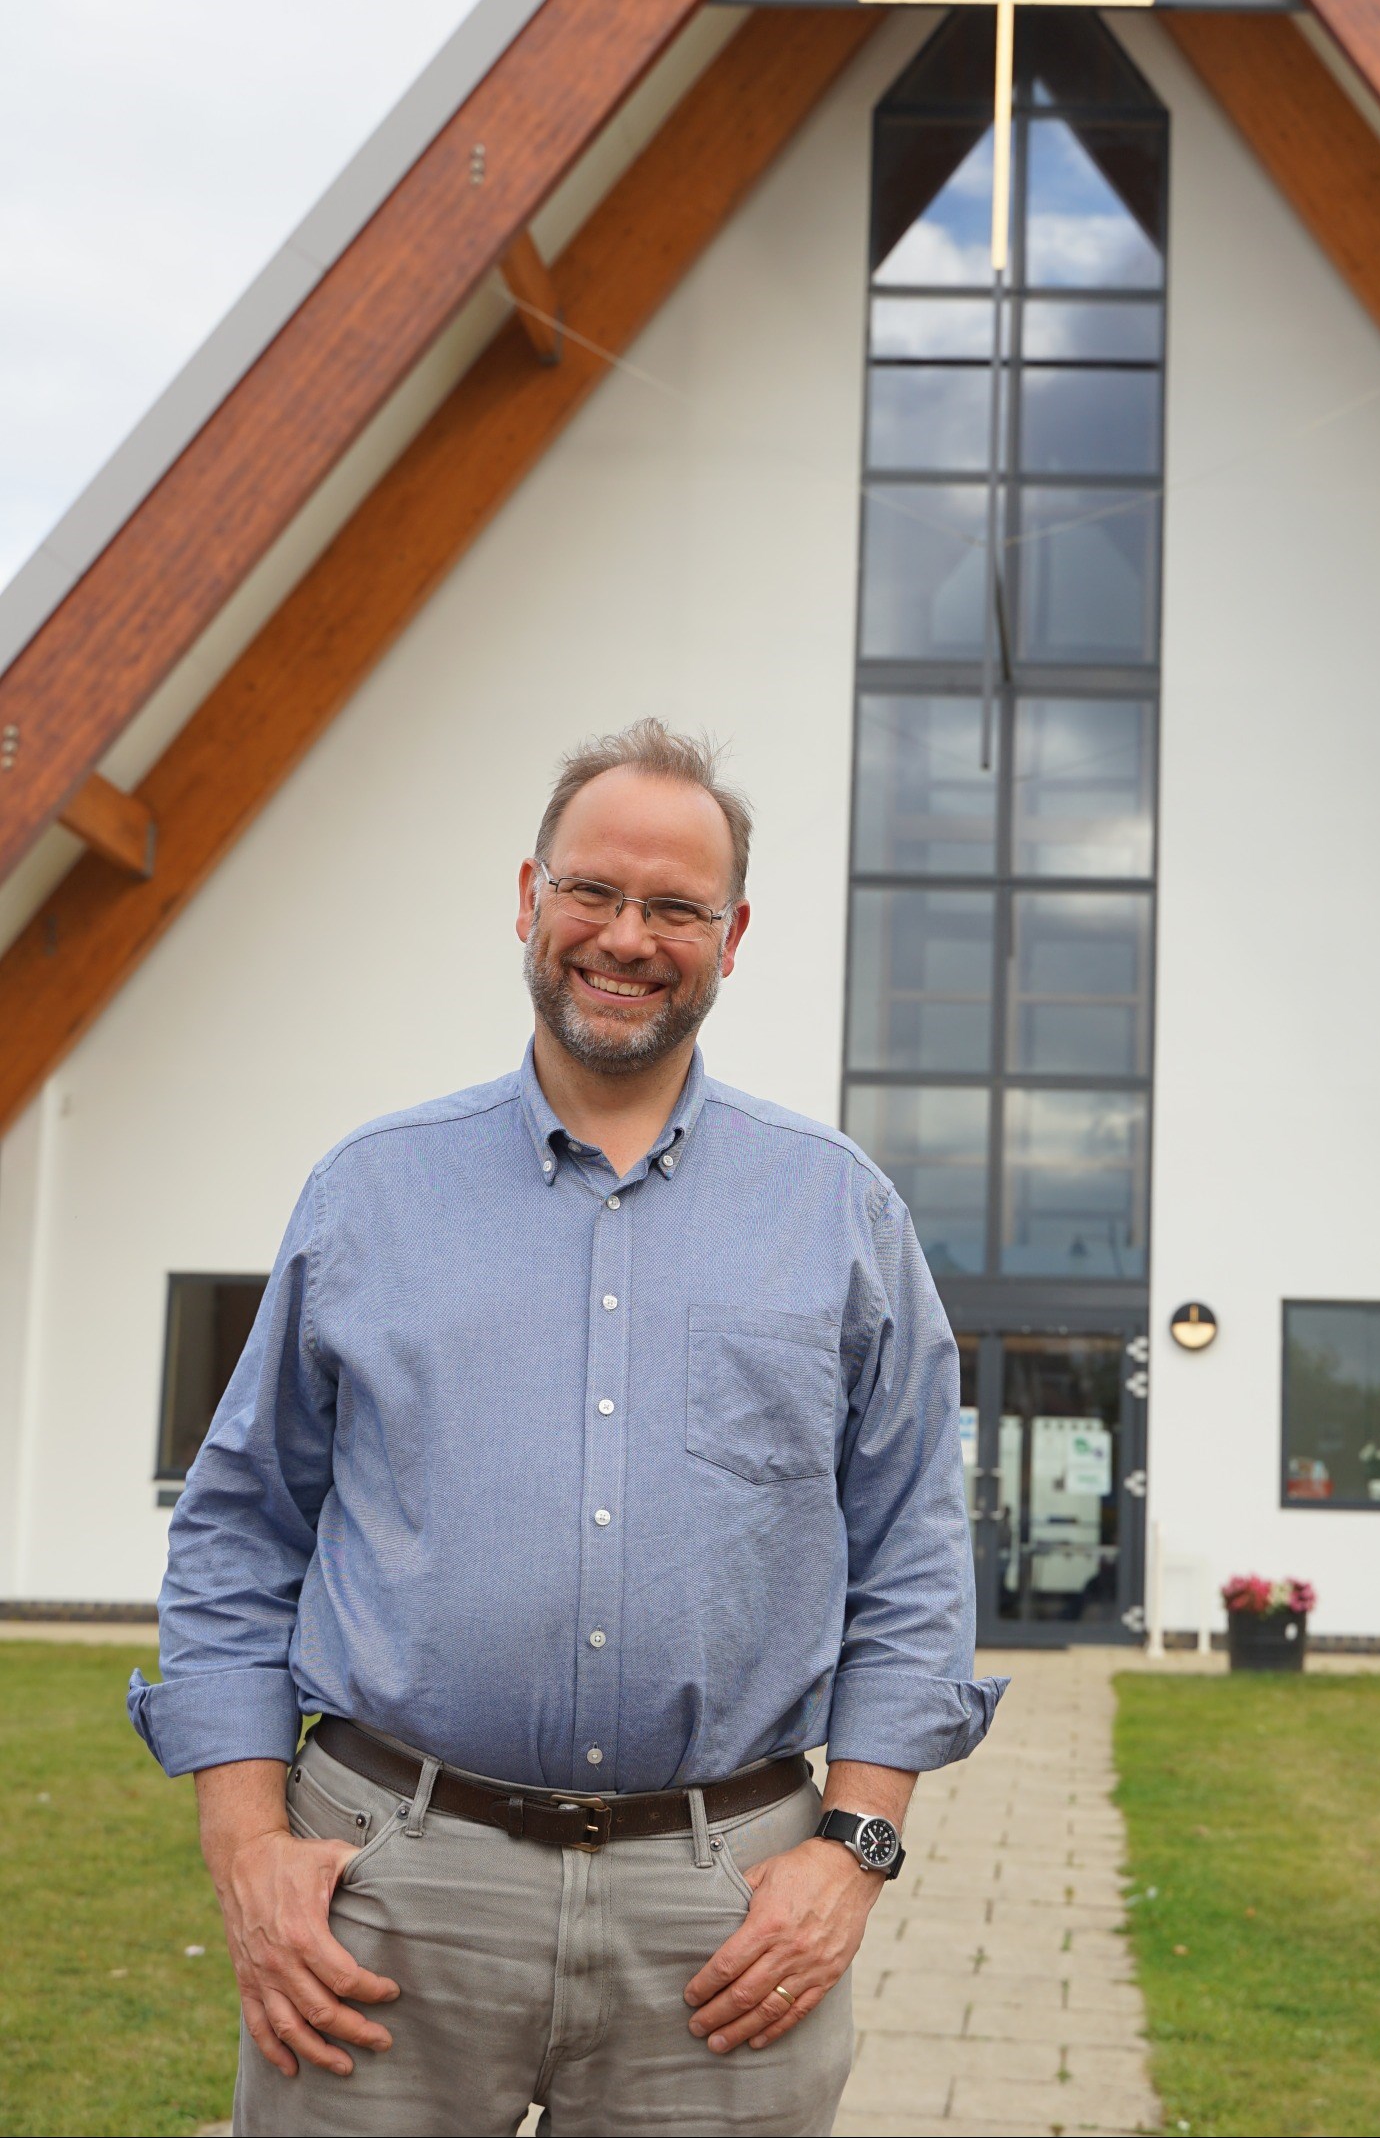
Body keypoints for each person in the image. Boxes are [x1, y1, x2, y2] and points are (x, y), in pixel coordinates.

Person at [130, 720, 1000, 2137]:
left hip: (724, 1918)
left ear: (735, 936)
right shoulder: (370, 1195)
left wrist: (853, 1851)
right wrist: (246, 1841)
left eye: (676, 907)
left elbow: (911, 1551)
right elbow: (239, 1526)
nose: (627, 936)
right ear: (528, 898)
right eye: (594, 891)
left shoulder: (839, 1215)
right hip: (386, 1894)